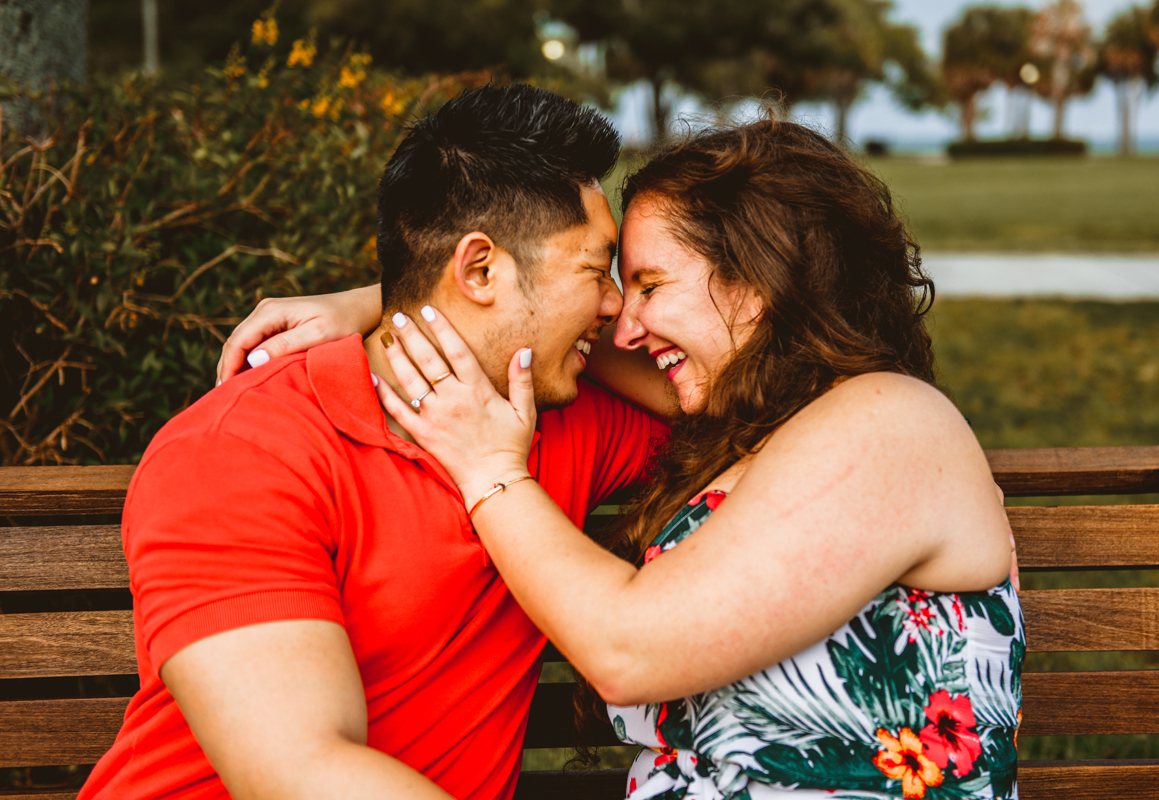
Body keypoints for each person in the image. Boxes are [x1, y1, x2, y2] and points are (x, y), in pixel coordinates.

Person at [252, 119, 1023, 800]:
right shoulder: (766, 419)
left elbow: (631, 648)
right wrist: (386, 300)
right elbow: (533, 326)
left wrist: (491, 468)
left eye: (650, 284)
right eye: (618, 284)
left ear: (757, 285)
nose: (625, 324)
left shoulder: (889, 425)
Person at [77, 84, 669, 800]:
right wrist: (410, 301)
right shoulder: (240, 451)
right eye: (593, 271)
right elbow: (299, 769)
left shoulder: (566, 418)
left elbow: (755, 388)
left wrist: (387, 301)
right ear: (479, 270)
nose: (619, 308)